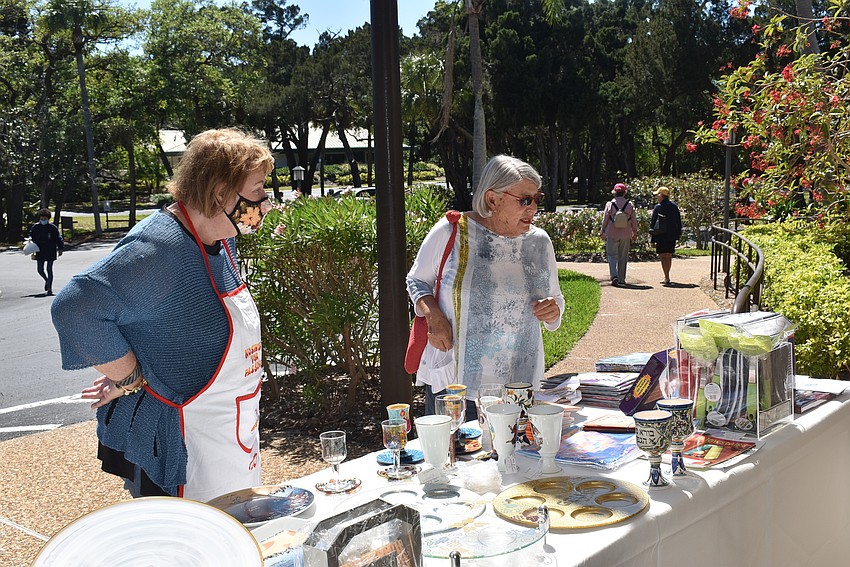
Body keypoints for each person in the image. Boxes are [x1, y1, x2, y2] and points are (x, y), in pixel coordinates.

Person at [51, 128, 274, 500]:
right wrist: (129, 375)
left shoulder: (221, 237)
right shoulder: (158, 247)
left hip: (233, 434)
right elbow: (75, 308)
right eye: (257, 190)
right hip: (186, 444)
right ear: (220, 193)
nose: (265, 203)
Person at [406, 155, 565, 419]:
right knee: (456, 446)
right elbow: (416, 280)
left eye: (537, 198)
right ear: (493, 199)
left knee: (516, 446)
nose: (534, 208)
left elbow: (555, 298)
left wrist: (553, 311)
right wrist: (433, 315)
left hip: (519, 386)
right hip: (456, 385)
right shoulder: (452, 231)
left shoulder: (539, 242)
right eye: (525, 200)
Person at [599, 183, 638, 287]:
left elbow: (605, 219)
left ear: (614, 192)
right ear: (624, 192)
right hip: (626, 234)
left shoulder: (610, 204)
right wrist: (634, 232)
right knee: (623, 257)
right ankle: (621, 279)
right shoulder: (629, 205)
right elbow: (634, 220)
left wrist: (602, 231)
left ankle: (614, 276)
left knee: (612, 255)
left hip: (612, 233)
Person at [650, 186, 683, 285]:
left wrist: (652, 233)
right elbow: (678, 221)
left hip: (661, 234)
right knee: (669, 255)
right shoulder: (674, 206)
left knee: (663, 256)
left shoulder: (658, 207)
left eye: (658, 195)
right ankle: (667, 276)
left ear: (662, 195)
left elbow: (653, 221)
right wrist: (678, 233)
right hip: (672, 234)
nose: (657, 197)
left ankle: (666, 276)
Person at [29, 208, 64, 295]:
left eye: (45, 219)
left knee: (49, 269)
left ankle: (49, 288)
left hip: (50, 250)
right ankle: (47, 280)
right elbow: (31, 235)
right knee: (40, 269)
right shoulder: (36, 227)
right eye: (42, 218)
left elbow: (58, 238)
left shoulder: (52, 228)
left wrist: (60, 248)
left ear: (48, 219)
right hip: (39, 250)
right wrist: (29, 240)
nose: (43, 220)